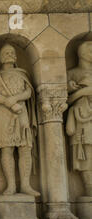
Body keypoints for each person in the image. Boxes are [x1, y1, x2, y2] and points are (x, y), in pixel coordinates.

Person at [0, 43, 39, 196]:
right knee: (7, 148)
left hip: (21, 110)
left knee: (25, 148)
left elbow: (29, 91)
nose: (9, 54)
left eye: (11, 52)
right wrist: (5, 101)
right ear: (0, 57)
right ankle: (10, 186)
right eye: (6, 52)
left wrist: (15, 98)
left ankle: (25, 185)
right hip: (2, 112)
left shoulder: (22, 73)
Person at [66, 41, 92, 196]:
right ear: (82, 53)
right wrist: (84, 92)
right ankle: (89, 188)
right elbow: (64, 101)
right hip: (82, 117)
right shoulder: (72, 74)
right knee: (87, 153)